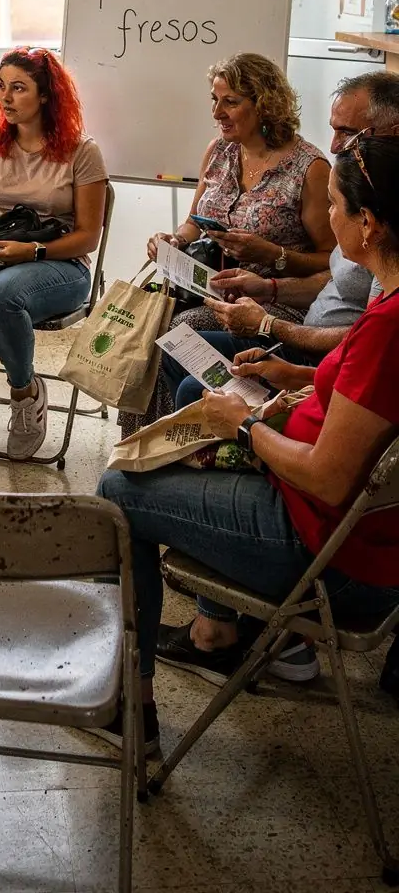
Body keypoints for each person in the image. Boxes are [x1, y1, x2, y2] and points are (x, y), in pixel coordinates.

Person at [98, 136, 399, 755]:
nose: (331, 215)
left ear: (367, 224)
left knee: (116, 489)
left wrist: (244, 426)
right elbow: (359, 401)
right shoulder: (386, 309)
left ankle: (132, 704)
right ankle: (214, 632)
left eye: (337, 204)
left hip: (332, 557)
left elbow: (327, 477)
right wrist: (292, 377)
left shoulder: (385, 330)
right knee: (198, 405)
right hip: (350, 538)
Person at [165, 70, 399, 413]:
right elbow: (333, 281)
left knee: (189, 360)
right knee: (176, 341)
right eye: (214, 100)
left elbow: (368, 340)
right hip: (301, 331)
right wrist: (267, 288)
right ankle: (162, 446)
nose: (335, 145)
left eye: (347, 133)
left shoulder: (369, 208)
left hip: (315, 348)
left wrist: (269, 321)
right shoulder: (221, 152)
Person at [130, 52, 333, 434]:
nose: (217, 112)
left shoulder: (310, 168)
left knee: (178, 328)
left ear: (265, 104)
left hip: (273, 301)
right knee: (150, 321)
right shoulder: (220, 151)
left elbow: (330, 262)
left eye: (230, 101)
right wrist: (171, 240)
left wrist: (271, 256)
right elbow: (193, 222)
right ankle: (144, 443)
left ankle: (178, 438)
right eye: (214, 99)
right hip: (207, 288)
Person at [0, 47, 107, 481]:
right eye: (2, 87)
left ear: (46, 95)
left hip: (59, 263)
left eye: (18, 88)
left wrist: (31, 252)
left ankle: (25, 395)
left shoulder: (81, 151)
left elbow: (88, 235)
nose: (6, 97)